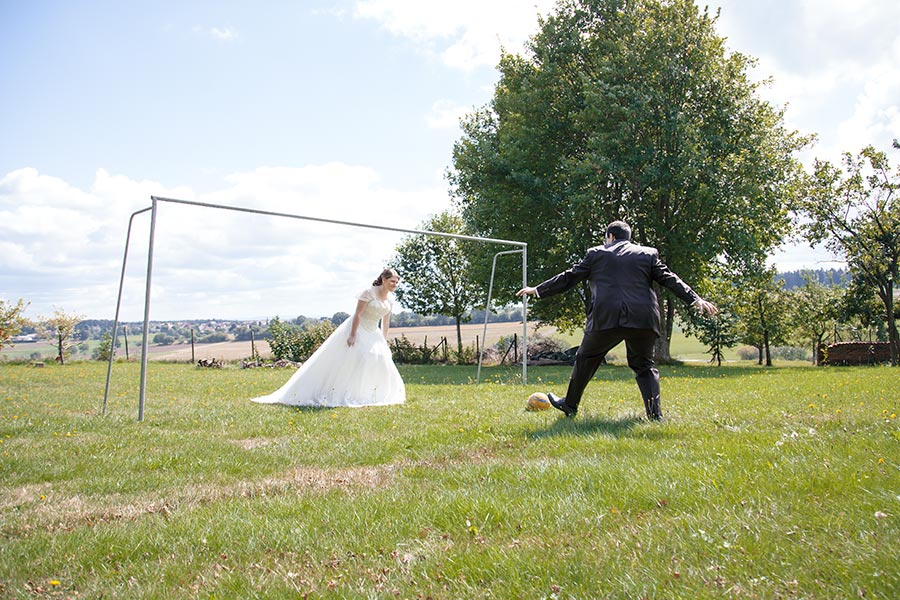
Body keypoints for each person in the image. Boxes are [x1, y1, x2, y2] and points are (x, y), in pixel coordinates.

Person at [516, 221, 717, 420]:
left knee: (586, 359)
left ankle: (570, 404)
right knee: (644, 366)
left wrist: (538, 289)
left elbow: (570, 277)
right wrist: (695, 298)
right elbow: (670, 278)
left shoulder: (596, 253)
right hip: (643, 319)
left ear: (610, 236)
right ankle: (655, 416)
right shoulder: (648, 254)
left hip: (606, 318)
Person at [252, 268, 405, 407]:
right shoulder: (368, 293)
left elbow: (386, 321)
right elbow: (358, 315)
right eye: (392, 281)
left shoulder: (390, 299)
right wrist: (352, 335)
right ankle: (339, 391)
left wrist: (384, 339)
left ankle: (370, 393)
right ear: (384, 280)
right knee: (356, 358)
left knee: (381, 359)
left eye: (397, 282)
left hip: (373, 332)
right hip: (358, 328)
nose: (395, 284)